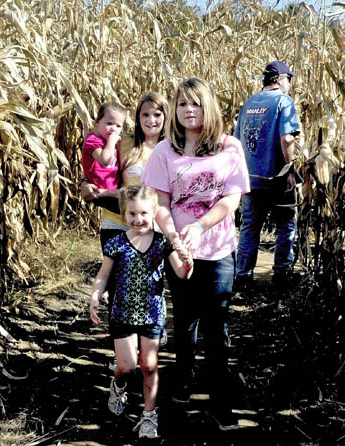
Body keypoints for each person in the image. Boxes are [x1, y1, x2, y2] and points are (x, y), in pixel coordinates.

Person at [142, 77, 250, 430]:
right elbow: (159, 201)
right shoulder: (164, 151)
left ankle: (221, 402)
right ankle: (183, 385)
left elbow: (231, 199)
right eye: (183, 104)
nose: (190, 111)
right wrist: (175, 239)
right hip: (178, 250)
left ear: (209, 107)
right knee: (185, 324)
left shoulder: (229, 147)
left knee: (217, 328)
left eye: (197, 103)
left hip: (218, 251)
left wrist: (200, 227)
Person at [89, 185, 193, 439]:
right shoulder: (116, 244)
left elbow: (181, 273)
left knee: (149, 366)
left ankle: (149, 416)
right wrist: (95, 296)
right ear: (124, 214)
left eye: (145, 213)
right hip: (122, 313)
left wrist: (188, 263)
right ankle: (119, 384)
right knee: (127, 366)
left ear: (155, 212)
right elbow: (103, 277)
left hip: (152, 314)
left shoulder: (162, 244)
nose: (139, 219)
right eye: (132, 214)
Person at [81, 93, 171, 365]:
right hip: (116, 223)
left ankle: (150, 333)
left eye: (157, 114)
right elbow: (98, 166)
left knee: (149, 284)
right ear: (137, 118)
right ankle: (122, 352)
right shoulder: (125, 142)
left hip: (152, 228)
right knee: (117, 288)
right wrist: (85, 182)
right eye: (145, 114)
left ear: (166, 117)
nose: (151, 120)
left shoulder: (171, 148)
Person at [233, 61, 302, 290]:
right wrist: (290, 168)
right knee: (286, 225)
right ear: (281, 79)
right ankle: (281, 275)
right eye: (288, 80)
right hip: (277, 178)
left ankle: (242, 277)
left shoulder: (249, 103)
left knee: (250, 227)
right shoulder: (283, 101)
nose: (289, 84)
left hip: (250, 178)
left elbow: (236, 141)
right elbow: (287, 139)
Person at [81, 102, 126, 225]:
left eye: (118, 126)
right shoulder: (92, 140)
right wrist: (111, 141)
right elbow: (105, 160)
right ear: (97, 122)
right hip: (98, 191)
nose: (113, 129)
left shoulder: (107, 140)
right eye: (109, 123)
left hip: (111, 189)